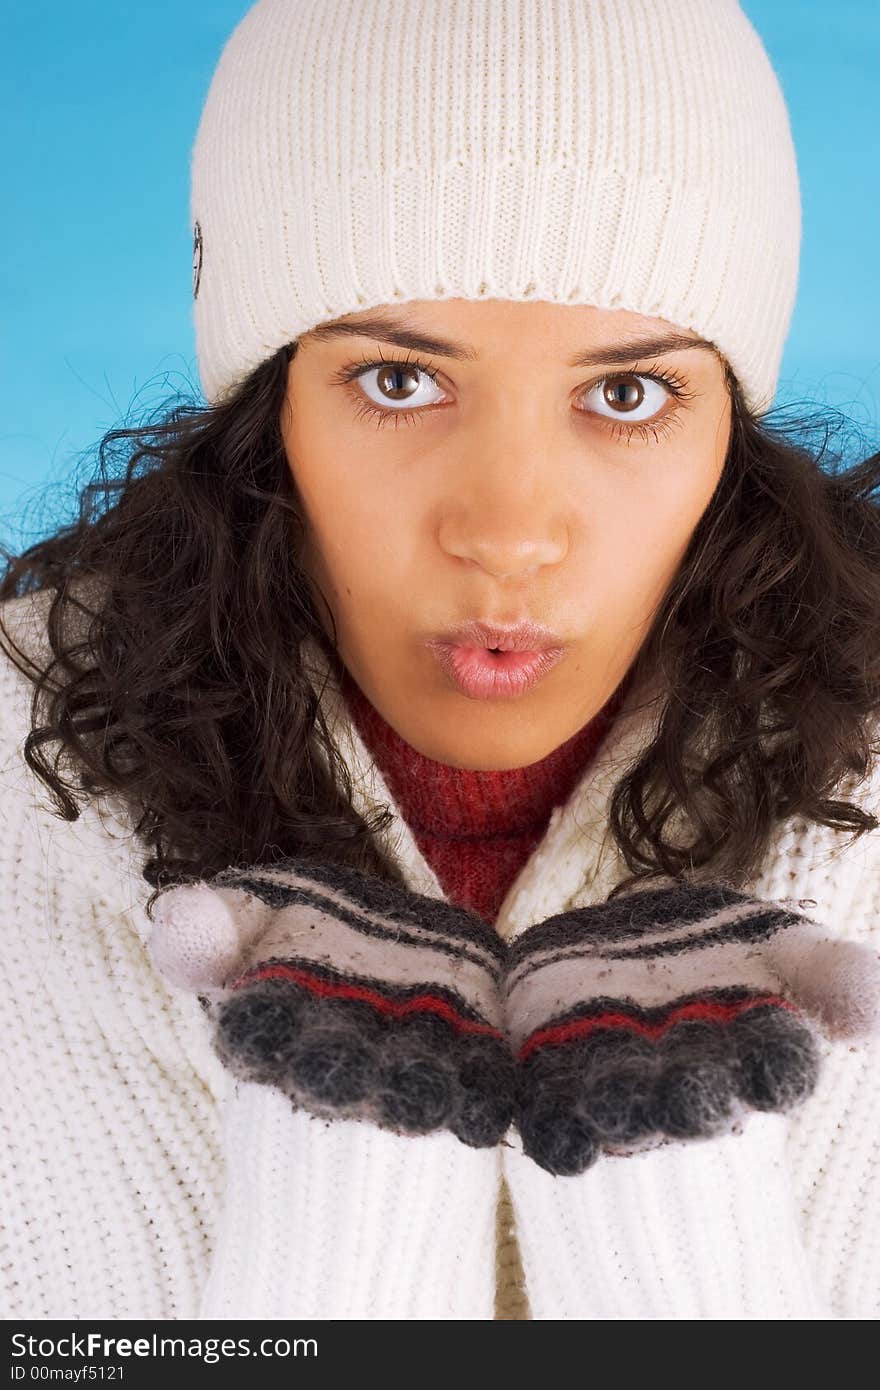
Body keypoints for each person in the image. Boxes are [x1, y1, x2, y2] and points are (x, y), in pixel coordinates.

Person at [1, 0, 879, 1322]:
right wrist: (356, 1144)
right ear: (269, 405)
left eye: (626, 393)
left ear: (726, 431)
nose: (509, 532)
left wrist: (671, 1163)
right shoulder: (26, 771)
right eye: (402, 381)